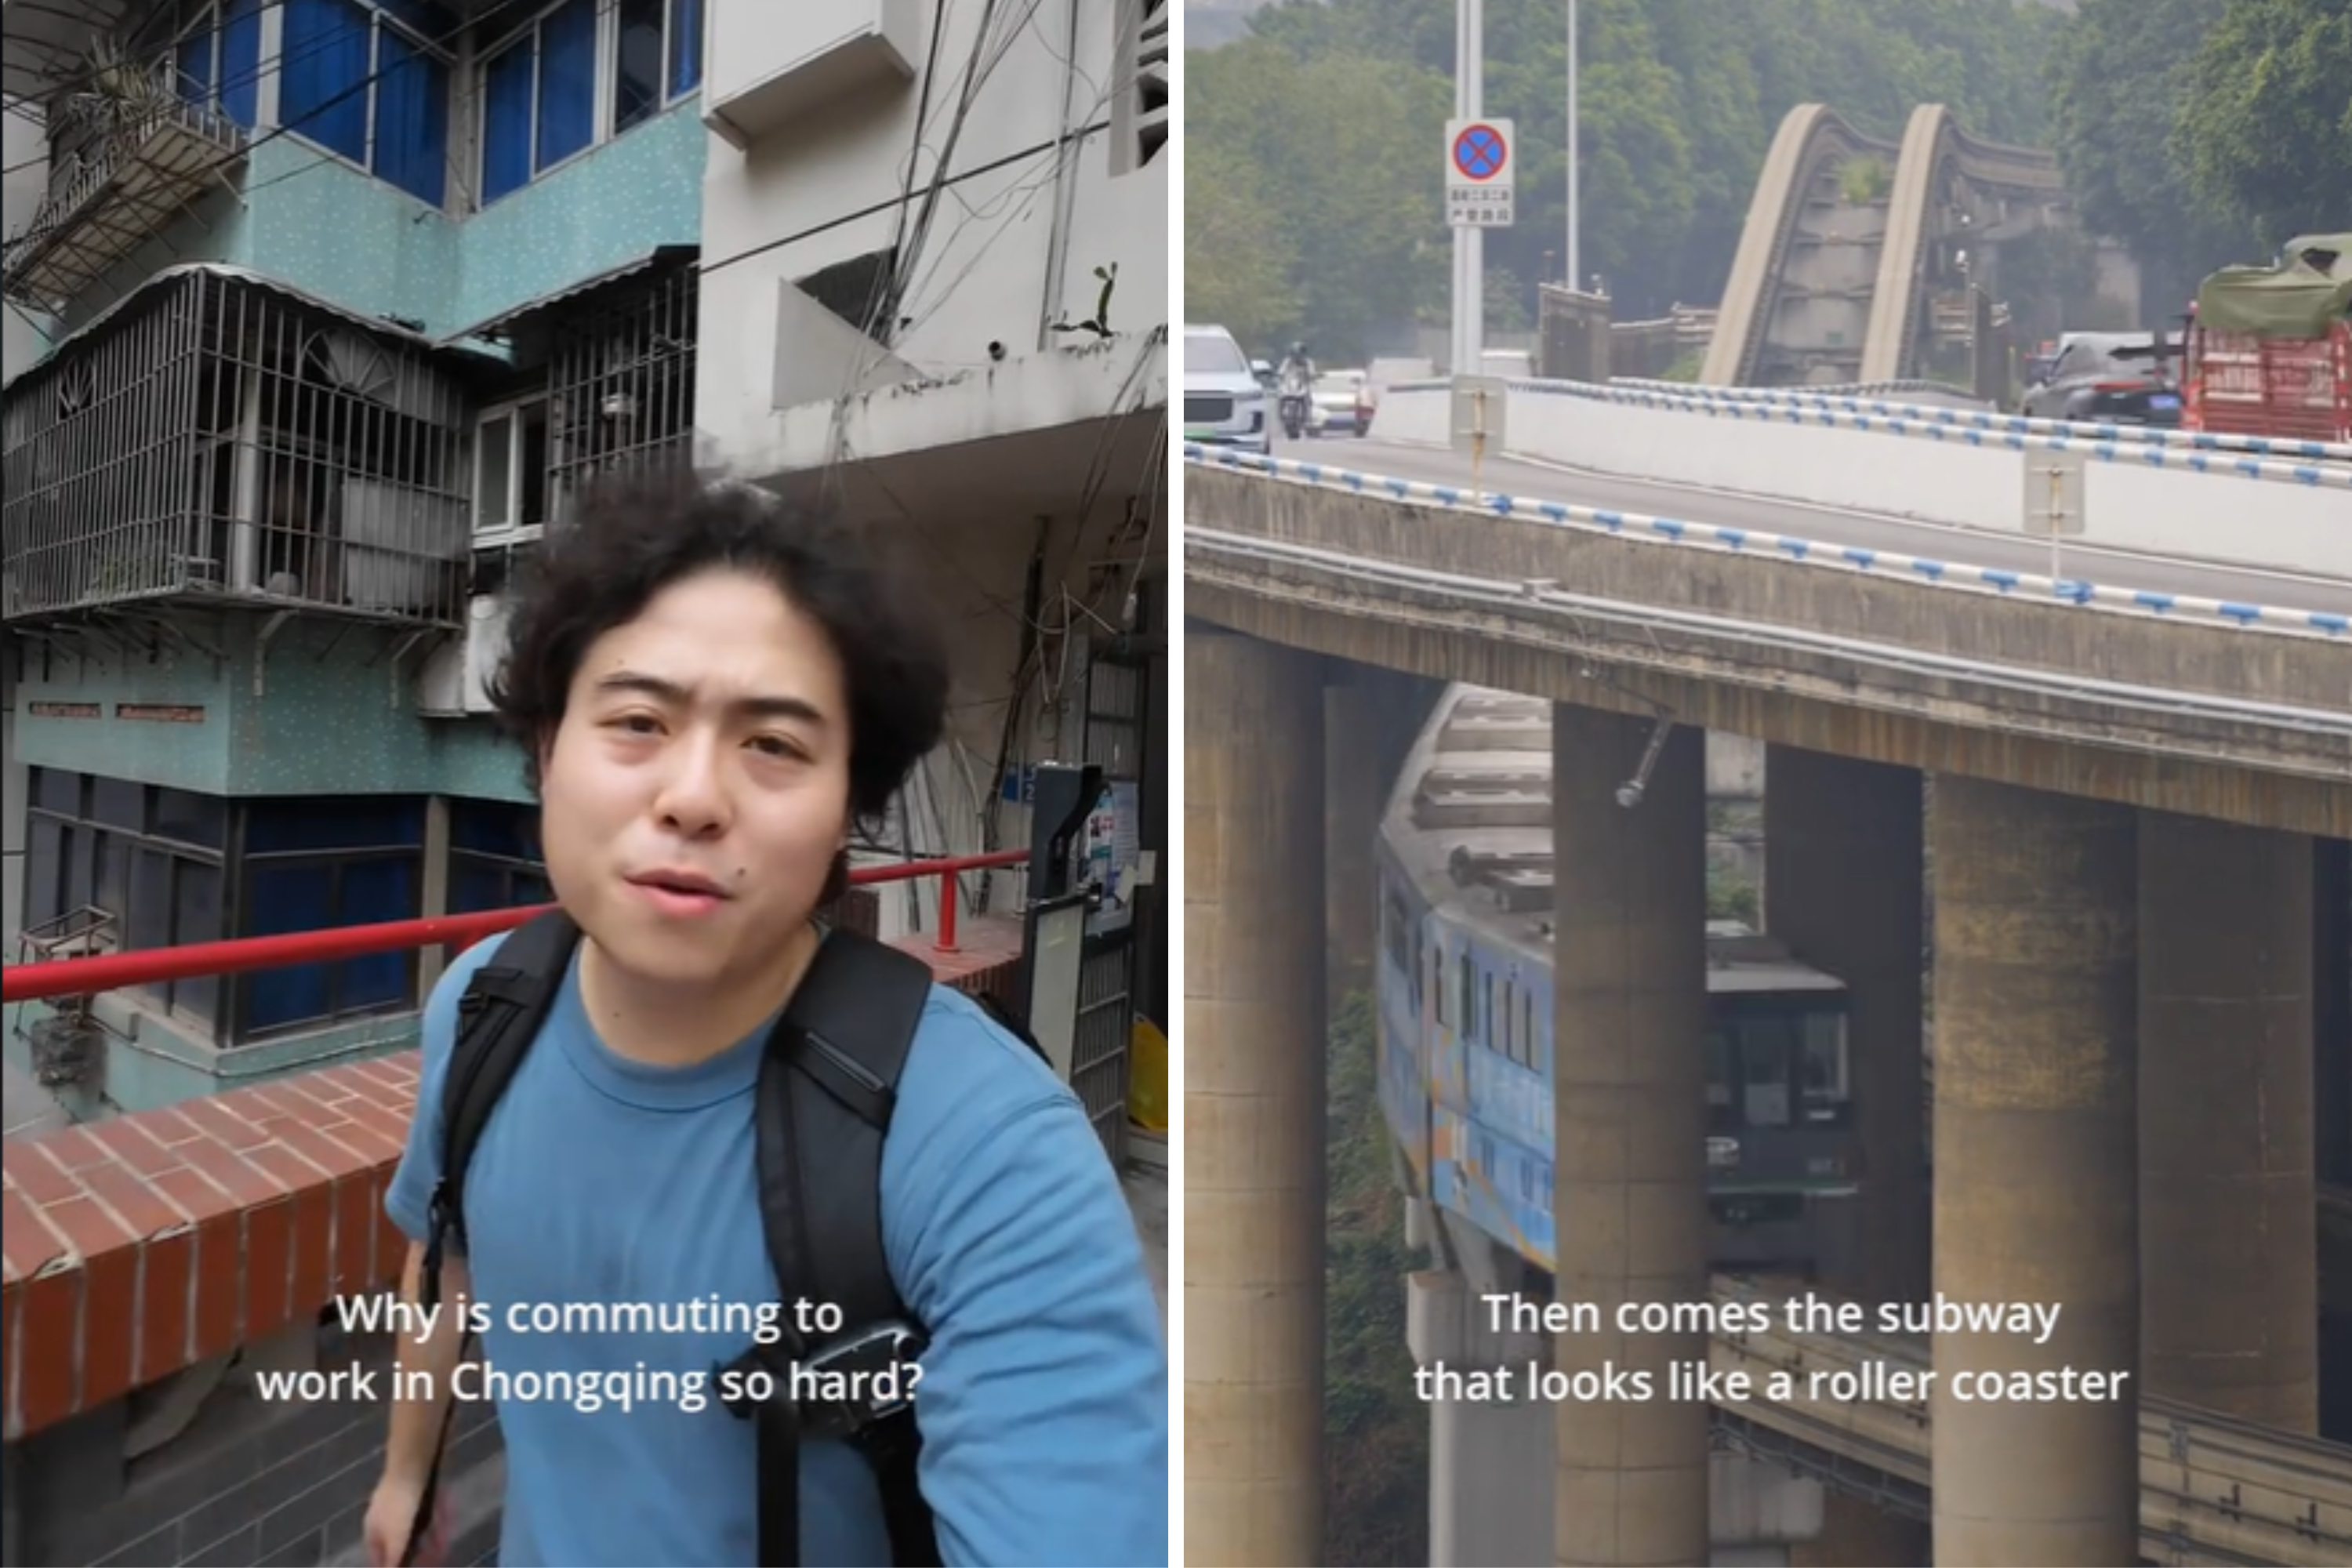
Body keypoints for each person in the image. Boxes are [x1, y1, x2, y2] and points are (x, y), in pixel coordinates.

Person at [365, 474, 1169, 1566]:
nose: (694, 797)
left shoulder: (986, 1149)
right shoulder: (483, 1007)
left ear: (850, 807)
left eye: (775, 745)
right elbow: (443, 1254)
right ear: (548, 752)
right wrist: (408, 1475)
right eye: (638, 722)